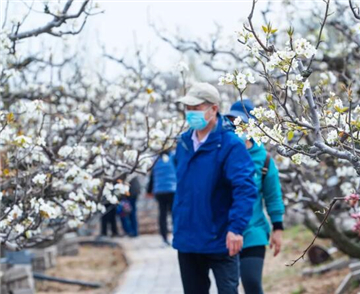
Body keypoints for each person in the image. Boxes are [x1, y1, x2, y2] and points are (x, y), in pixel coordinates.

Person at [174, 82, 258, 294]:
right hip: (188, 239)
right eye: (189, 109)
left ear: (214, 109)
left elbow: (245, 188)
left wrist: (236, 228)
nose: (191, 113)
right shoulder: (183, 143)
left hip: (221, 239)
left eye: (197, 108)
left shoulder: (230, 144)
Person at [225, 99, 285, 294]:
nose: (236, 126)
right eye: (232, 121)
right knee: (228, 287)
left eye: (241, 122)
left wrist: (277, 228)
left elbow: (272, 196)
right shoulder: (222, 154)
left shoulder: (264, 159)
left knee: (251, 283)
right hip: (225, 232)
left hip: (254, 231)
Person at [147, 150, 177, 246]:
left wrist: (149, 190)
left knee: (162, 215)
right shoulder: (173, 156)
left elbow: (152, 177)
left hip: (159, 190)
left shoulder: (155, 159)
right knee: (173, 214)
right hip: (172, 189)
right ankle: (175, 235)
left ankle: (164, 238)